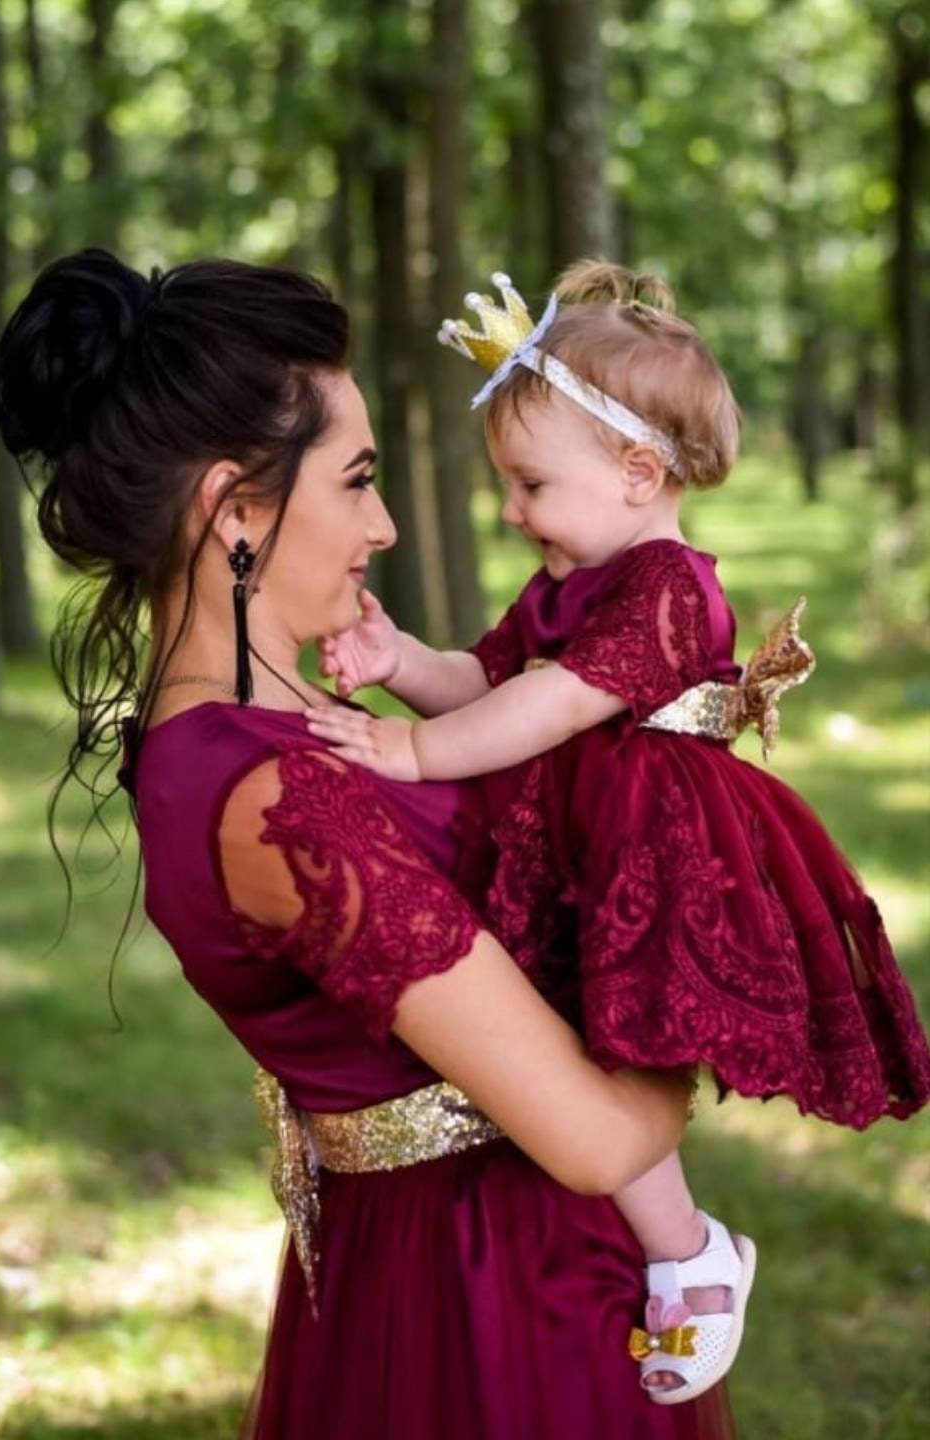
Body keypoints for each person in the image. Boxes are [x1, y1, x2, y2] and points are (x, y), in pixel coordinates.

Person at [0, 248, 736, 1438]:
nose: (386, 524)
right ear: (234, 508)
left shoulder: (281, 734)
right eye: (358, 480)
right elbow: (592, 1137)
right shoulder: (272, 797)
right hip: (481, 1304)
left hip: (514, 1260)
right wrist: (710, 987)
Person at [306, 260, 930, 1404]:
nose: (511, 511)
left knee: (611, 1052)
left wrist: (418, 753)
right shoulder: (568, 582)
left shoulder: (669, 588)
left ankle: (688, 1250)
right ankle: (654, 1245)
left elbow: (550, 705)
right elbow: (491, 682)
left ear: (637, 472)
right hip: (574, 841)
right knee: (560, 1046)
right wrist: (403, 669)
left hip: (649, 851)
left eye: (531, 483)